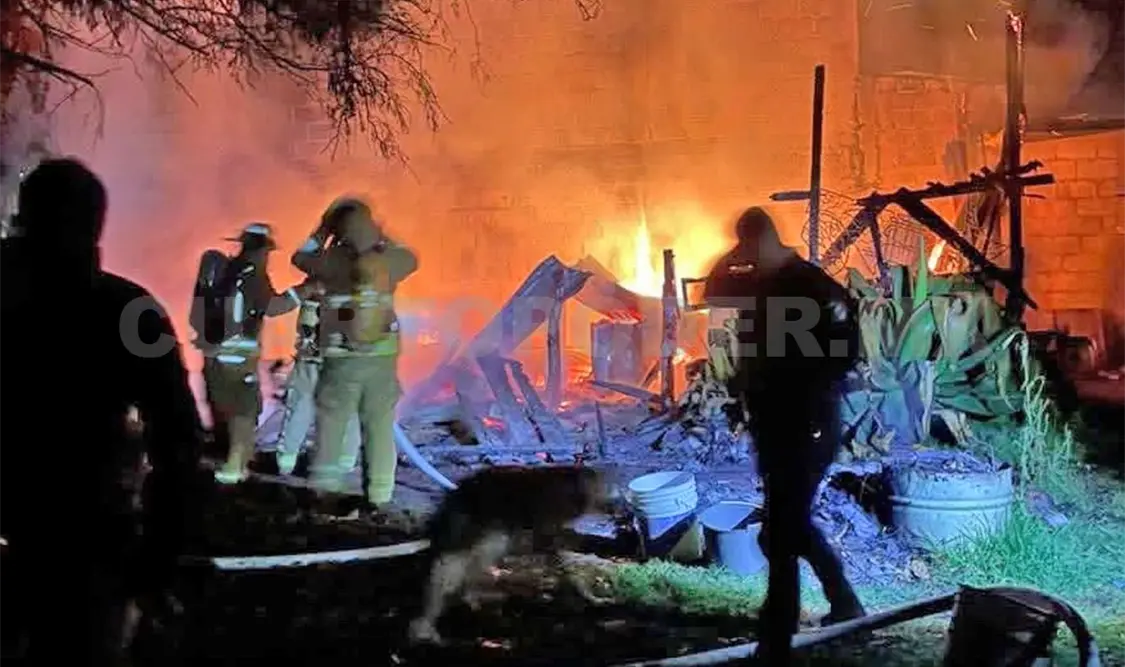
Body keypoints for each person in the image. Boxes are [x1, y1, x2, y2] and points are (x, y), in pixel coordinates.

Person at [0, 158, 204, 664]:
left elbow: (176, 437)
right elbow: (178, 437)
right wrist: (160, 553)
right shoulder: (130, 309)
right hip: (84, 533)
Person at [704, 206, 866, 666]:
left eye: (750, 247)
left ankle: (778, 634)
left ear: (765, 242)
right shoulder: (761, 283)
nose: (745, 256)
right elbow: (713, 291)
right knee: (786, 525)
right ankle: (841, 604)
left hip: (805, 425)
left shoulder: (812, 286)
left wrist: (803, 389)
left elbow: (846, 351)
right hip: (776, 425)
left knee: (780, 531)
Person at [292, 197, 417, 515]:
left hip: (340, 359)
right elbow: (412, 257)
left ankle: (324, 492)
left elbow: (300, 257)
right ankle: (379, 496)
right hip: (382, 361)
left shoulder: (331, 261)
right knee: (379, 427)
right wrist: (381, 235)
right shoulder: (390, 261)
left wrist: (322, 229)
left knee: (332, 424)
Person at [193, 223, 305, 484]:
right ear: (260, 250)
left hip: (217, 354)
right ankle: (235, 466)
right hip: (239, 357)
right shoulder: (252, 275)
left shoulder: (226, 271)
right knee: (243, 411)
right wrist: (303, 291)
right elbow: (274, 306)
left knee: (230, 409)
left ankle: (240, 460)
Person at [273, 282, 362, 476]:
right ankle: (345, 462)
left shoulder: (317, 286)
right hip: (339, 363)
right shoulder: (356, 288)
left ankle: (286, 461)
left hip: (316, 362)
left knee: (301, 409)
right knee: (348, 412)